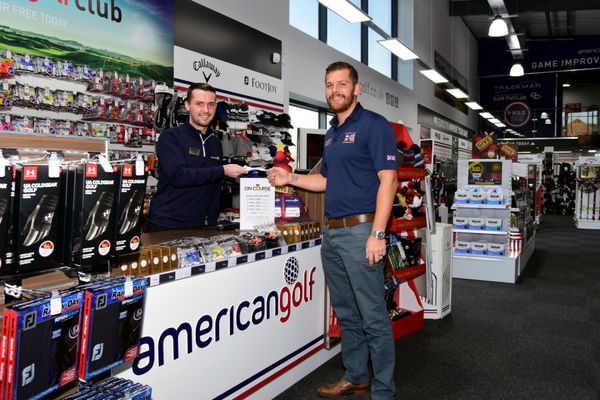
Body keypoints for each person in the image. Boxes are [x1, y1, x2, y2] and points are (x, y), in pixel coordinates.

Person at [267, 61, 398, 399]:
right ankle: (355, 375)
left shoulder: (373, 125)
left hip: (362, 230)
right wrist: (290, 177)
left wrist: (379, 234)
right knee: (347, 312)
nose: (335, 90)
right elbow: (326, 181)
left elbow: (389, 181)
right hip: (334, 234)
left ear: (357, 89)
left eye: (342, 84)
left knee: (373, 316)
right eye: (329, 84)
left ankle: (384, 390)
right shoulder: (332, 133)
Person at [148, 83, 246, 231]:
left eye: (211, 104)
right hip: (168, 224)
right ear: (187, 105)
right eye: (199, 104)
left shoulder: (215, 142)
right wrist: (222, 170)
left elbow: (214, 186)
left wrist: (212, 220)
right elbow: (178, 176)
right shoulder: (170, 137)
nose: (206, 110)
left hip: (204, 225)